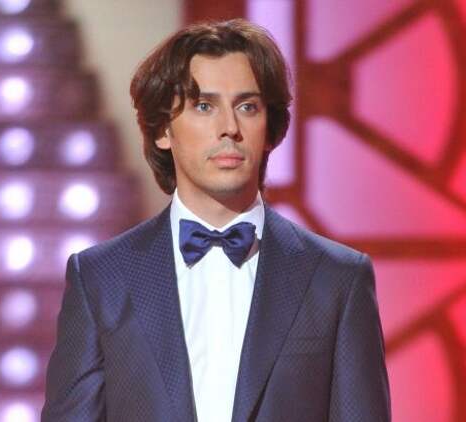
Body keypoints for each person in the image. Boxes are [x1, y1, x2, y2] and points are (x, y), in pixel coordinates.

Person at [42, 18, 391, 422]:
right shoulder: (102, 278)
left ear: (270, 128)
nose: (230, 128)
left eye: (247, 107)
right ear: (162, 130)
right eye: (204, 106)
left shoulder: (337, 279)